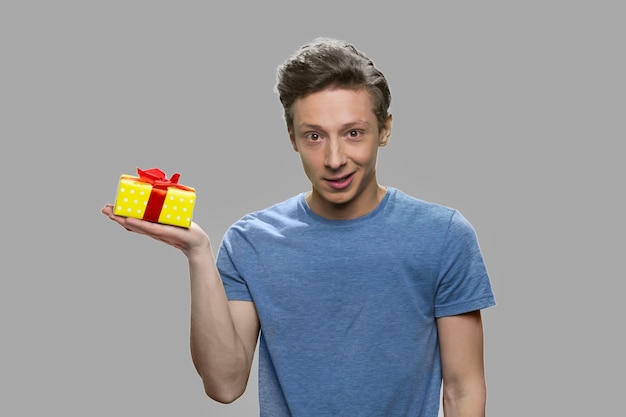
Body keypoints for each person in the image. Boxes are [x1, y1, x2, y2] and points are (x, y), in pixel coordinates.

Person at [102, 37, 496, 417]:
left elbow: (463, 389)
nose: (334, 158)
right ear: (292, 138)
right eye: (314, 136)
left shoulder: (443, 235)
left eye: (353, 133)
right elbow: (224, 385)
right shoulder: (251, 241)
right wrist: (198, 252)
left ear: (385, 130)